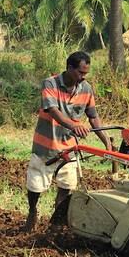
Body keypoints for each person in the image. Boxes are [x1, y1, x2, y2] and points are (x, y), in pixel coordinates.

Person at [23, 51, 110, 232]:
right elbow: (53, 111)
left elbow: (93, 117)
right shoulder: (50, 83)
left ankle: (56, 222)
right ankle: (32, 211)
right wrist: (74, 126)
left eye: (86, 73)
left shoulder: (86, 89)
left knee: (67, 185)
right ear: (70, 68)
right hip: (46, 146)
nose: (83, 77)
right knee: (36, 185)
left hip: (69, 148)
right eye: (80, 72)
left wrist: (106, 141)